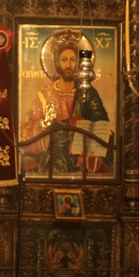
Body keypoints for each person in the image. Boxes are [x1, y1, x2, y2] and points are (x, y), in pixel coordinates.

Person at [20, 34, 110, 174]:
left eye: (73, 60)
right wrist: (48, 132)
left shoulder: (87, 92)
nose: (68, 65)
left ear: (79, 63)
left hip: (82, 153)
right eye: (64, 60)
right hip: (54, 152)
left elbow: (99, 118)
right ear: (56, 63)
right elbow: (27, 129)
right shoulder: (45, 95)